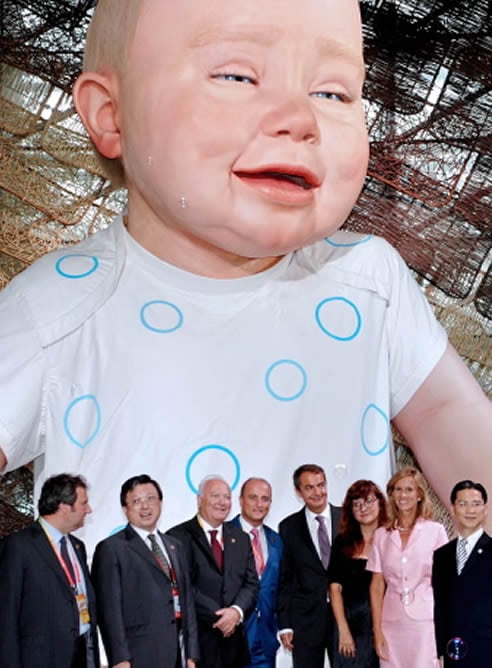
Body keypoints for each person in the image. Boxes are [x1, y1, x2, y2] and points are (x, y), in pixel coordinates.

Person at [1, 0, 491, 556]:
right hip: (141, 635)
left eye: (332, 92)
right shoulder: (60, 305)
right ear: (112, 114)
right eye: (237, 76)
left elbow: (453, 417)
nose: (300, 120)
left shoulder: (367, 282)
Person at [91, 474, 199, 668]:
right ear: (125, 509)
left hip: (178, 652)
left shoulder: (175, 545)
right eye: (136, 501)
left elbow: (188, 602)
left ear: (161, 502)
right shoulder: (112, 548)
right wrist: (119, 659)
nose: (145, 506)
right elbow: (109, 611)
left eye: (150, 498)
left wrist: (192, 654)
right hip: (138, 655)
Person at [0, 473, 99, 668]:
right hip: (40, 658)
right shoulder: (19, 546)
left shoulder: (77, 546)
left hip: (81, 654)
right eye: (83, 503)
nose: (88, 510)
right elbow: (6, 616)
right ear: (63, 507)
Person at [168, 475, 258, 668]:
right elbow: (184, 587)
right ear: (200, 500)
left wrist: (235, 612)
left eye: (226, 497)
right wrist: (221, 617)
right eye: (215, 496)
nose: (222, 502)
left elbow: (251, 584)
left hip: (235, 644)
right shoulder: (177, 538)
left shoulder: (241, 538)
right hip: (198, 643)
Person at [367, 466, 448, 668]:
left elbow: (445, 584)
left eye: (409, 489)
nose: (403, 495)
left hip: (425, 623)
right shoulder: (381, 535)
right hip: (391, 624)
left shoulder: (436, 532)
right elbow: (376, 586)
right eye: (398, 489)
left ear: (419, 494)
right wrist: (377, 631)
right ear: (392, 494)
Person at [277, 464, 341, 667]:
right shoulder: (288, 527)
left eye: (321, 485)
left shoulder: (349, 519)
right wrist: (285, 625)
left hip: (345, 620)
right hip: (305, 621)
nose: (317, 492)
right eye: (309, 487)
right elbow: (285, 579)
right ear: (298, 491)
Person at [432, 480, 492, 668]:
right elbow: (440, 605)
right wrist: (441, 649)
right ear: (453, 508)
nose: (470, 510)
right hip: (455, 652)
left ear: (485, 509)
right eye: (463, 504)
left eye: (476, 504)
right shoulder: (441, 555)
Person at [328, 479, 387, 667]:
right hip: (348, 624)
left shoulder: (391, 539)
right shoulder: (342, 542)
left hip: (383, 624)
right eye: (357, 504)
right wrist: (343, 630)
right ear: (350, 510)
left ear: (380, 503)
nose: (363, 508)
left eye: (369, 501)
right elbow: (335, 588)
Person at [229, 477, 284, 668]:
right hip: (232, 637)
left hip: (266, 639)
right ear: (241, 500)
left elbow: (281, 588)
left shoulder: (276, 540)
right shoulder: (223, 534)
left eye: (265, 499)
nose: (259, 504)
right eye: (253, 497)